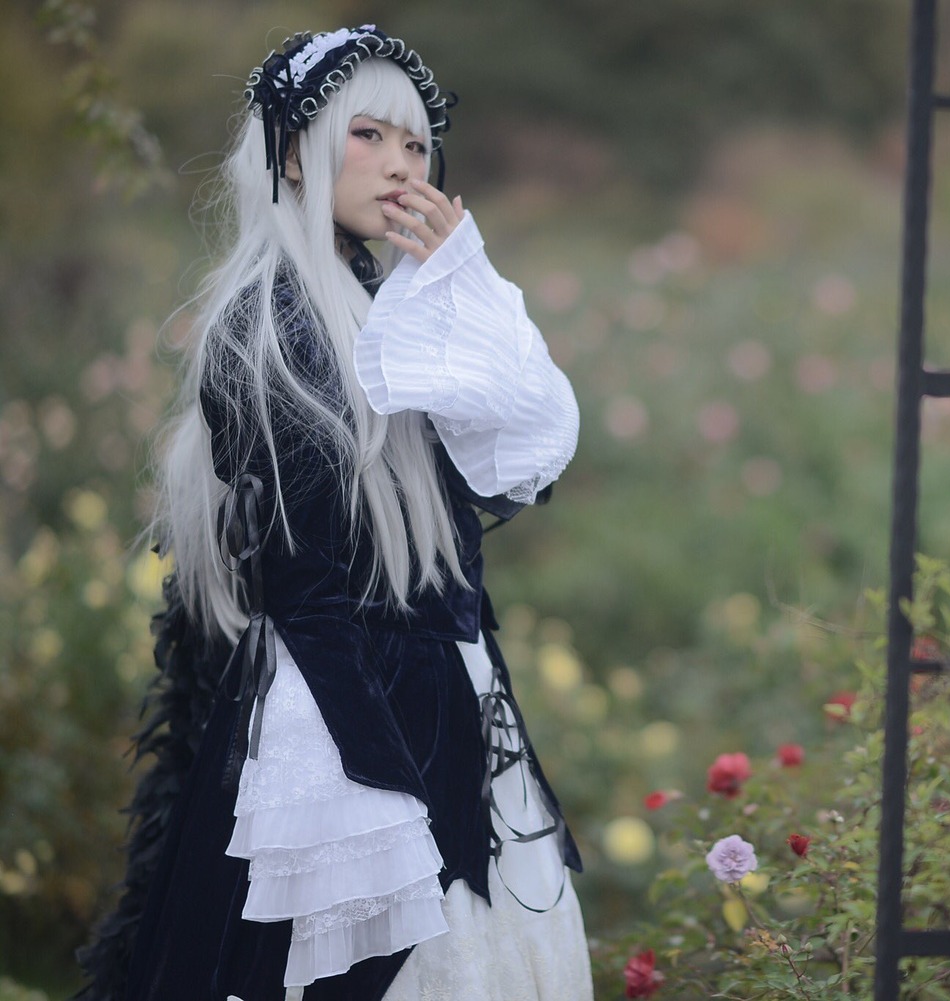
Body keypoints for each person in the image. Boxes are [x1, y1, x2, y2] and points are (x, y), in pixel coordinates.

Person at [73, 25, 592, 1000]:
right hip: (338, 714)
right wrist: (385, 787)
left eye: (414, 142)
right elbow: (306, 586)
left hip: (449, 686)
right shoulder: (265, 326)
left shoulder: (402, 306)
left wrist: (465, 295)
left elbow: (521, 464)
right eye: (369, 136)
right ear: (291, 157)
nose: (401, 163)